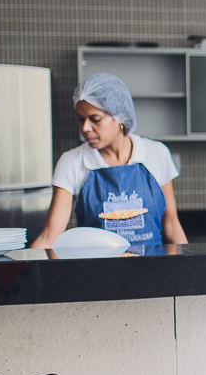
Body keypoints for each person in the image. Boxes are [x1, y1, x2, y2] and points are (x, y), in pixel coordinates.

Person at [30, 73, 187, 249]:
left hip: (155, 271)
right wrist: (21, 271)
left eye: (95, 119)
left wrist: (189, 271)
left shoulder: (156, 154)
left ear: (120, 117)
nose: (85, 128)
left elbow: (171, 226)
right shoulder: (72, 162)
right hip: (98, 273)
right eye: (81, 119)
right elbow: (49, 236)